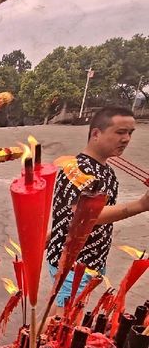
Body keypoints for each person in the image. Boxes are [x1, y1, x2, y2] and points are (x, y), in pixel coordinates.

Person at [46, 106, 149, 311]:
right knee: (61, 325)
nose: (127, 139)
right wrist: (141, 205)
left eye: (130, 133)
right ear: (96, 133)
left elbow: (67, 212)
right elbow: (88, 216)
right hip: (73, 262)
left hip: (90, 260)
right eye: (120, 132)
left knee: (63, 317)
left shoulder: (106, 170)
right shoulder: (79, 169)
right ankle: (28, 342)